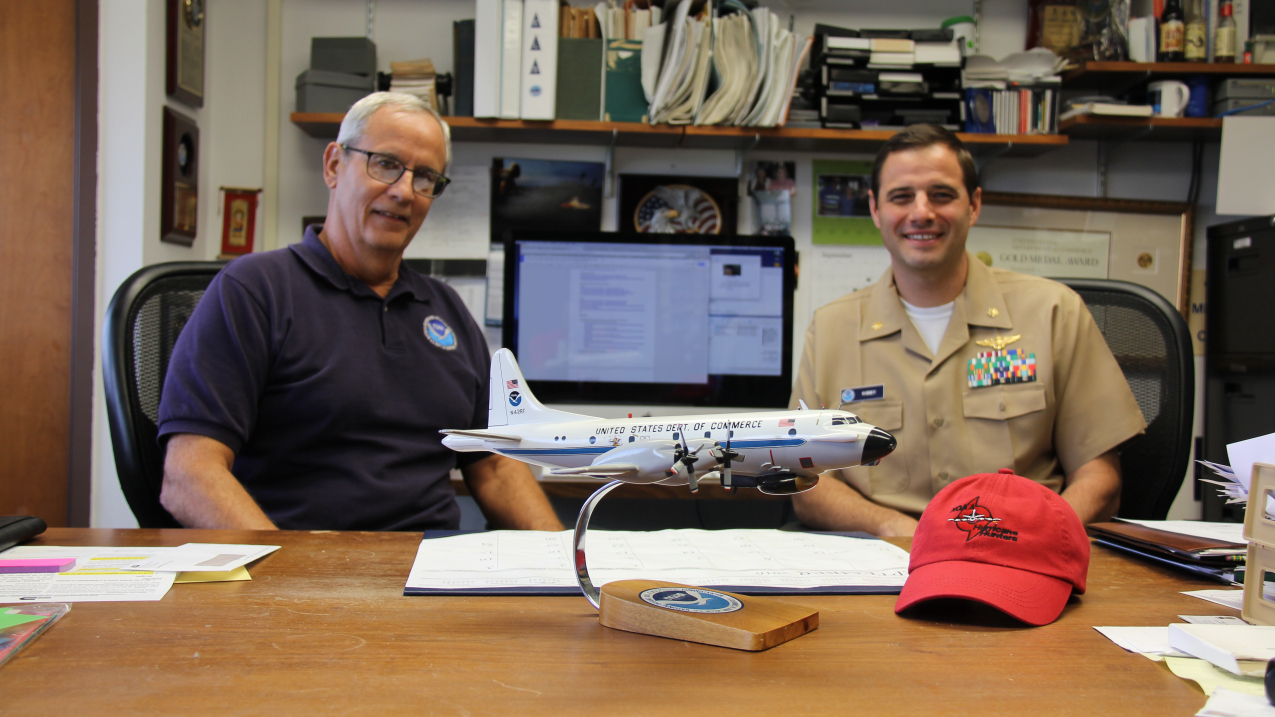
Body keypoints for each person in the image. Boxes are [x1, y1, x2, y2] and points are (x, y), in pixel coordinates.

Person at [157, 92, 564, 532]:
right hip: (300, 573)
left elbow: (496, 468)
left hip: (430, 574)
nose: (404, 191)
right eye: (385, 164)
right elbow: (188, 475)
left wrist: (567, 564)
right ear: (334, 165)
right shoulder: (255, 291)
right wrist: (290, 578)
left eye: (425, 177)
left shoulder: (445, 308)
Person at [789, 124, 1145, 537]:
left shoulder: (1052, 312)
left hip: (1023, 555)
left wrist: (1037, 539)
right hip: (887, 559)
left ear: (974, 205)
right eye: (901, 197)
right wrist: (908, 537)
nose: (922, 212)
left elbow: (1100, 477)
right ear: (874, 210)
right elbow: (809, 483)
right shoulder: (832, 329)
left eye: (941, 195)